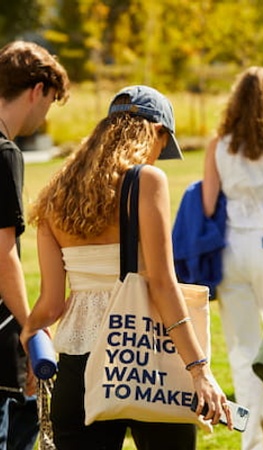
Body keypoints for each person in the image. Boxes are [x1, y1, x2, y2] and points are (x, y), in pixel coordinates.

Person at [20, 85, 233, 450]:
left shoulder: (56, 193)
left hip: (79, 365)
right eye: (164, 144)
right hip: (149, 355)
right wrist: (199, 370)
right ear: (158, 132)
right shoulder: (146, 182)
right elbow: (162, 285)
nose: (160, 153)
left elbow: (52, 303)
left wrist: (29, 332)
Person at [202, 66, 263, 450]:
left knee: (242, 348)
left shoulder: (218, 144)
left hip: (232, 251)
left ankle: (252, 440)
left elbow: (209, 204)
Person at [0, 40, 70, 450]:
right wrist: (30, 328)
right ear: (37, 90)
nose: (45, 117)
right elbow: (4, 252)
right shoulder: (6, 153)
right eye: (50, 102)